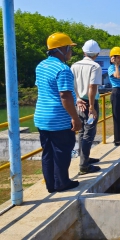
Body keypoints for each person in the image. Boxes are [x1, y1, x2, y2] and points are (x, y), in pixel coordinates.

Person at [34, 32, 82, 193]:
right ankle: (62, 183)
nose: (71, 52)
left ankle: (51, 184)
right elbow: (65, 96)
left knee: (48, 152)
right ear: (61, 49)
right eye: (69, 49)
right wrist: (75, 118)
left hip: (42, 117)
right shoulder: (63, 69)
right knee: (62, 152)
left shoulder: (41, 66)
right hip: (58, 119)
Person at [71, 40, 102, 175]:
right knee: (89, 132)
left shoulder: (74, 65)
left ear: (84, 52)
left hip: (78, 101)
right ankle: (84, 165)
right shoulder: (95, 66)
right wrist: (91, 107)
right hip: (90, 102)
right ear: (97, 53)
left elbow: (72, 85)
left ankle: (84, 157)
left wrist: (77, 99)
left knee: (82, 131)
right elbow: (92, 87)